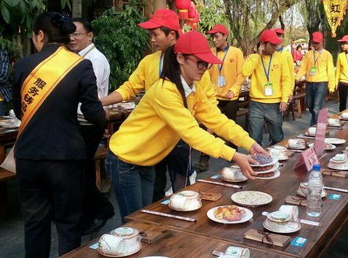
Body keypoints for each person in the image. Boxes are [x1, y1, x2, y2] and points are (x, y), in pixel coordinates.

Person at [106, 31, 266, 220]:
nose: (204, 69)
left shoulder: (193, 89)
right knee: (134, 220)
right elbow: (191, 132)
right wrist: (234, 155)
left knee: (144, 218)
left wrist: (249, 143)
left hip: (146, 161)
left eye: (207, 64)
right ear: (180, 58)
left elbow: (218, 119)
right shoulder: (165, 91)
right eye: (200, 63)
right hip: (125, 160)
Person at [13, 12, 106, 258]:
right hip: (66, 155)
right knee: (68, 222)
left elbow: (20, 111)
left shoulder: (23, 64)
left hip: (29, 155)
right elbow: (93, 113)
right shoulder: (80, 65)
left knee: (34, 222)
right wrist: (102, 120)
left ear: (40, 35)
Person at [100, 9, 216, 200]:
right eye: (151, 35)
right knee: (155, 187)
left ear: (172, 35)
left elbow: (208, 98)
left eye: (156, 34)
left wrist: (210, 126)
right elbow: (129, 88)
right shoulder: (149, 61)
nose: (152, 40)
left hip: (180, 134)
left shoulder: (191, 62)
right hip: (153, 136)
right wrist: (101, 101)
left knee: (181, 187)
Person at [68, 18, 115, 234]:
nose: (72, 38)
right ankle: (94, 210)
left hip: (87, 122)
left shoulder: (95, 59)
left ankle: (100, 209)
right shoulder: (77, 57)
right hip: (78, 121)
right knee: (80, 169)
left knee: (79, 169)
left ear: (89, 36)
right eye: (70, 34)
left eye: (77, 34)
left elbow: (90, 97)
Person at [194, 24, 244, 172]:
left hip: (230, 97)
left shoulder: (236, 52)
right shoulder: (210, 52)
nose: (214, 40)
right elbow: (205, 74)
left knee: (230, 126)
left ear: (225, 36)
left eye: (216, 36)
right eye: (212, 37)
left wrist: (234, 89)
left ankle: (234, 156)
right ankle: (204, 159)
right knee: (209, 127)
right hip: (214, 97)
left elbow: (241, 74)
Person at [230, 29, 293, 145]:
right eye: (272, 45)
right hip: (256, 104)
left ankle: (276, 156)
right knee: (254, 140)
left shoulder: (280, 57)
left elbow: (286, 79)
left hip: (275, 104)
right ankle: (257, 157)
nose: (275, 47)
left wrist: (284, 99)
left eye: (276, 44)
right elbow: (244, 73)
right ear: (263, 44)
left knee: (277, 138)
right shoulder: (253, 58)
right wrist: (257, 56)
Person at [295, 31, 335, 125]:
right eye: (314, 42)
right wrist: (297, 77)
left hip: (321, 83)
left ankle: (315, 126)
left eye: (317, 43)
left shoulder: (327, 55)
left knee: (317, 107)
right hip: (309, 82)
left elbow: (330, 71)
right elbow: (303, 67)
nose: (315, 44)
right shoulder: (308, 54)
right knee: (310, 105)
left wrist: (331, 86)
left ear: (322, 42)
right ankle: (319, 121)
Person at [274, 28, 295, 102]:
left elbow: (291, 74)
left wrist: (290, 91)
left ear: (283, 38)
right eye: (276, 35)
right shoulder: (269, 53)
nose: (277, 37)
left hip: (283, 90)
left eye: (280, 36)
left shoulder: (287, 54)